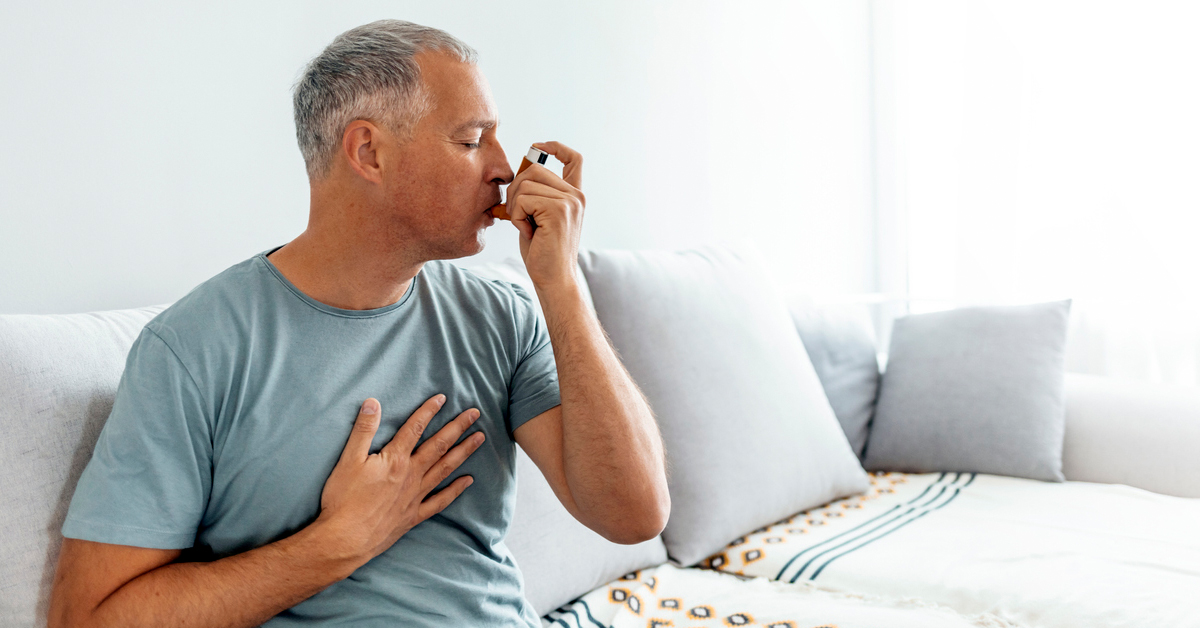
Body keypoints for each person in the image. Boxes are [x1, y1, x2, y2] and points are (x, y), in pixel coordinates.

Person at [47, 19, 669, 628]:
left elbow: (636, 515)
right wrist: (336, 544)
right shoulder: (193, 349)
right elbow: (89, 617)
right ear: (368, 151)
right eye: (472, 139)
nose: (505, 169)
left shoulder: (503, 314)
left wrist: (560, 286)